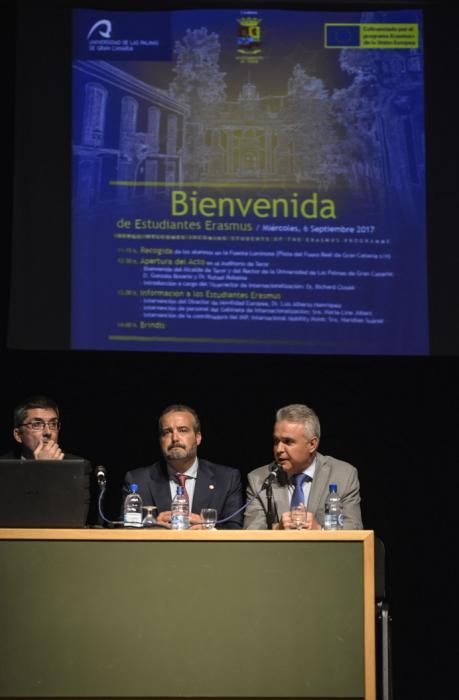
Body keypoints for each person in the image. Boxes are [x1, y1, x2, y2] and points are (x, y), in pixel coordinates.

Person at [122, 404, 244, 529]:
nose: (175, 438)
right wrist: (154, 527)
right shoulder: (138, 480)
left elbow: (235, 529)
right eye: (167, 432)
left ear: (198, 437)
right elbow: (125, 532)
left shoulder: (226, 478)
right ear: (160, 440)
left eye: (183, 430)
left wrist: (207, 528)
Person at [243, 403, 363, 530]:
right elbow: (251, 535)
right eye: (276, 441)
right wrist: (278, 530)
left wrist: (320, 531)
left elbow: (354, 529)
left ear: (312, 444)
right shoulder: (259, 479)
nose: (279, 449)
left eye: (288, 442)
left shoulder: (343, 475)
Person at [3, 395, 68, 460]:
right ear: (18, 435)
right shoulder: (3, 468)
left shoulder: (76, 467)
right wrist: (43, 467)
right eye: (37, 424)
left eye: (53, 424)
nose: (48, 432)